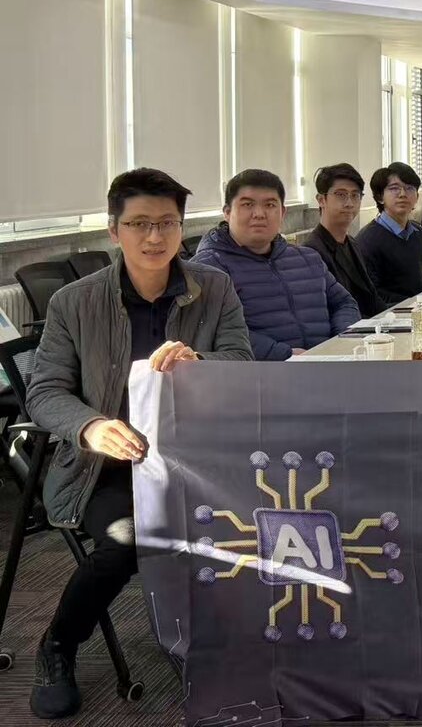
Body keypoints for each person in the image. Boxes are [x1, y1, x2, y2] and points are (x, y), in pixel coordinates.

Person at [26, 169, 253, 720]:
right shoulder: (74, 302)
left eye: (167, 223)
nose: (154, 237)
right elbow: (45, 391)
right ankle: (57, 645)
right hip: (104, 468)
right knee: (125, 541)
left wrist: (201, 364)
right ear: (114, 230)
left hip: (194, 457)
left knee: (268, 515)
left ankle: (228, 634)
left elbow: (242, 362)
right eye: (139, 224)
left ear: (182, 228)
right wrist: (90, 426)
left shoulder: (214, 287)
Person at [192, 170, 359, 360]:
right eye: (247, 204)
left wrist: (339, 342)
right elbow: (214, 328)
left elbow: (344, 303)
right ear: (227, 213)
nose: (259, 214)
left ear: (283, 212)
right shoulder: (208, 268)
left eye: (270, 205)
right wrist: (285, 354)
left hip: (328, 364)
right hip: (262, 373)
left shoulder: (307, 258)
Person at [304, 162, 386, 318]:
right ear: (321, 200)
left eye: (355, 195)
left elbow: (372, 299)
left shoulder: (353, 243)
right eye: (341, 194)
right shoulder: (311, 252)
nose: (349, 203)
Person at [354, 161, 422, 306]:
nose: (402, 194)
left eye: (409, 188)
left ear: (416, 196)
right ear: (380, 197)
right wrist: (413, 304)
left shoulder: (419, 233)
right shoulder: (367, 240)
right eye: (394, 188)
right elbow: (372, 294)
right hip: (390, 315)